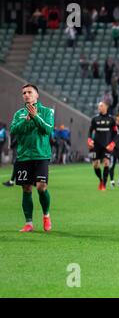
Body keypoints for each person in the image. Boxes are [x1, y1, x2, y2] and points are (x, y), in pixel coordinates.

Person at [9, 84, 54, 232]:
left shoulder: (47, 112)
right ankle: (29, 222)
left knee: (41, 187)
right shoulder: (19, 114)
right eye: (24, 93)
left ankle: (46, 215)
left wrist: (35, 117)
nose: (26, 95)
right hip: (24, 156)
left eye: (29, 92)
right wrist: (26, 120)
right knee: (26, 188)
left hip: (41, 154)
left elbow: (47, 129)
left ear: (37, 95)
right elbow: (14, 130)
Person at [87, 102, 117, 191]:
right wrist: (89, 139)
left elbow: (116, 133)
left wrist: (113, 143)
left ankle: (104, 183)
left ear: (106, 107)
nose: (99, 107)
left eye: (101, 106)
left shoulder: (111, 119)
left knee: (106, 162)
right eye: (99, 106)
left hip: (107, 146)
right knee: (96, 165)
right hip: (96, 146)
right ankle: (100, 179)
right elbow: (90, 130)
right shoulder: (95, 119)